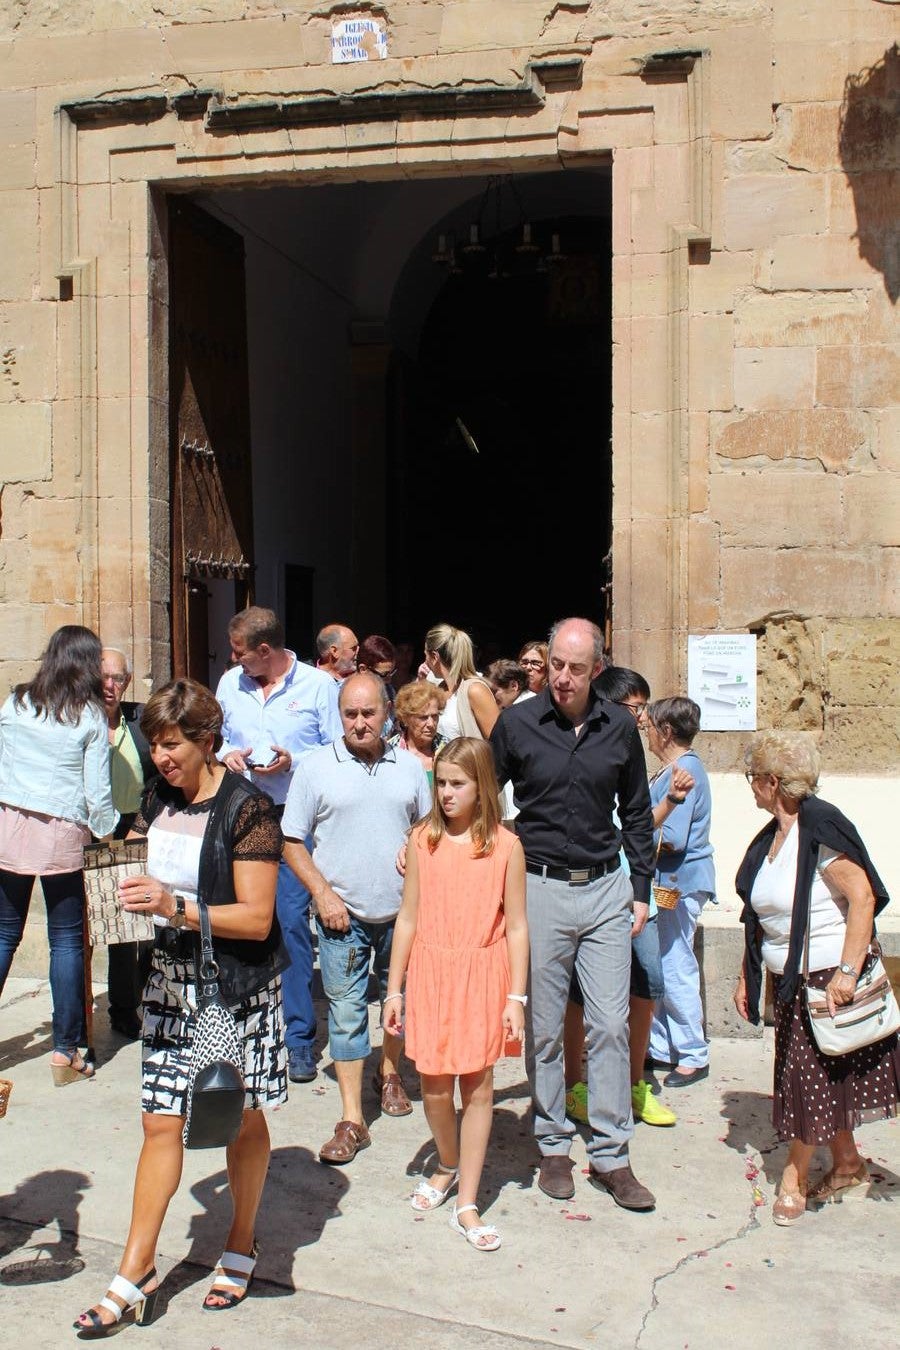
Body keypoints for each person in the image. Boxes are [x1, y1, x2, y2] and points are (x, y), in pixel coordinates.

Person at [73, 679, 287, 1334]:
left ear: (206, 740)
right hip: (170, 982)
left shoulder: (247, 810)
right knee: (160, 1124)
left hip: (235, 990)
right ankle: (135, 1269)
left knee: (240, 1119)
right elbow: (132, 871)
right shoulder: (156, 800)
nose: (162, 758)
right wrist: (108, 900)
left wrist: (175, 906)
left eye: (172, 745)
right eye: (154, 745)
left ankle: (242, 1240)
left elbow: (255, 919)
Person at [490, 619, 656, 1211]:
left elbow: (636, 810)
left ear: (596, 670)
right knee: (546, 1029)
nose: (562, 677)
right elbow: (483, 794)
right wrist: (433, 835)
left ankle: (613, 1156)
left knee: (610, 1024)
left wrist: (641, 888)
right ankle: (554, 1144)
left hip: (608, 890)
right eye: (556, 664)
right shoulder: (517, 723)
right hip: (541, 892)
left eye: (576, 668)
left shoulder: (619, 728)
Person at [733, 729, 898, 1227]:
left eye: (752, 779)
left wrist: (848, 973)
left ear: (773, 781)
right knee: (824, 1078)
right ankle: (847, 1165)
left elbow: (863, 898)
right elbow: (758, 917)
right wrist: (748, 976)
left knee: (808, 1083)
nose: (750, 787)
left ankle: (794, 1178)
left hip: (826, 978)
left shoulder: (821, 825)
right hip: (790, 981)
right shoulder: (772, 838)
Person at [384, 738, 528, 1251]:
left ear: (482, 785)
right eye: (439, 782)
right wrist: (393, 990)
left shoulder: (507, 847)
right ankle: (446, 1161)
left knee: (480, 1086)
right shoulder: (422, 840)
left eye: (457, 783)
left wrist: (516, 997)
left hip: (483, 972)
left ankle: (466, 1199)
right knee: (436, 1087)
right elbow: (407, 917)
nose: (446, 793)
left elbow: (516, 926)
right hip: (432, 970)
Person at [282, 672, 431, 1163]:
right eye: (350, 714)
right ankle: (352, 1118)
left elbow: (428, 829)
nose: (360, 723)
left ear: (388, 713)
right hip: (341, 915)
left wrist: (417, 850)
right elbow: (290, 841)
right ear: (338, 716)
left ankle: (388, 1071)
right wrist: (322, 894)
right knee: (346, 1014)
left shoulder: (410, 769)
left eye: (369, 713)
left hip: (402, 914)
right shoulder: (315, 769)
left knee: (397, 1002)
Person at [216, 606, 341, 1085]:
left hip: (293, 823)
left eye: (240, 652)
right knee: (239, 920)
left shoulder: (318, 687)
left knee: (289, 924)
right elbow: (219, 735)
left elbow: (336, 748)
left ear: (265, 651)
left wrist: (294, 762)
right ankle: (236, 1030)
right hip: (242, 817)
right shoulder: (232, 684)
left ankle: (298, 1039)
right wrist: (227, 754)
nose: (234, 660)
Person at [564, 667, 687, 1130]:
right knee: (578, 993)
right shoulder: (590, 754)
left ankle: (637, 1085)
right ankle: (575, 1084)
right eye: (636, 707)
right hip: (596, 890)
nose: (643, 717)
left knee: (647, 984)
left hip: (640, 893)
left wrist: (669, 802)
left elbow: (637, 825)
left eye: (644, 708)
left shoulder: (636, 754)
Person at [0, 625, 116, 1087]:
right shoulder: (88, 715)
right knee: (66, 938)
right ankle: (65, 1051)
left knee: (5, 931)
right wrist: (107, 831)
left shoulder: (16, 701)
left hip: (10, 823)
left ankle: (66, 1048)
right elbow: (97, 791)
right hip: (62, 829)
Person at [645, 697, 716, 1087]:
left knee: (674, 963)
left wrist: (634, 837)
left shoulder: (685, 770)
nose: (648, 733)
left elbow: (672, 837)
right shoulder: (674, 768)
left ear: (666, 731)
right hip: (668, 882)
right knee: (661, 962)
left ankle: (692, 1051)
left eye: (651, 726)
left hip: (677, 882)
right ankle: (661, 1047)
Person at [100, 646, 156, 1040]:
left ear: (128, 682)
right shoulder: (79, 721)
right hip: (97, 830)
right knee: (116, 926)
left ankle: (147, 994)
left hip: (138, 824)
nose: (110, 685)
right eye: (103, 677)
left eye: (118, 678)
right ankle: (122, 1008)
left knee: (147, 918)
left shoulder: (138, 720)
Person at [423, 623, 498, 740]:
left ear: (434, 656)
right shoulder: (438, 689)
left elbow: (498, 741)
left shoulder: (475, 690)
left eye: (425, 655)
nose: (425, 662)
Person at [390, 681, 447, 784]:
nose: (431, 724)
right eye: (423, 717)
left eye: (434, 716)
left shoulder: (449, 749)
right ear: (406, 719)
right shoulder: (390, 752)